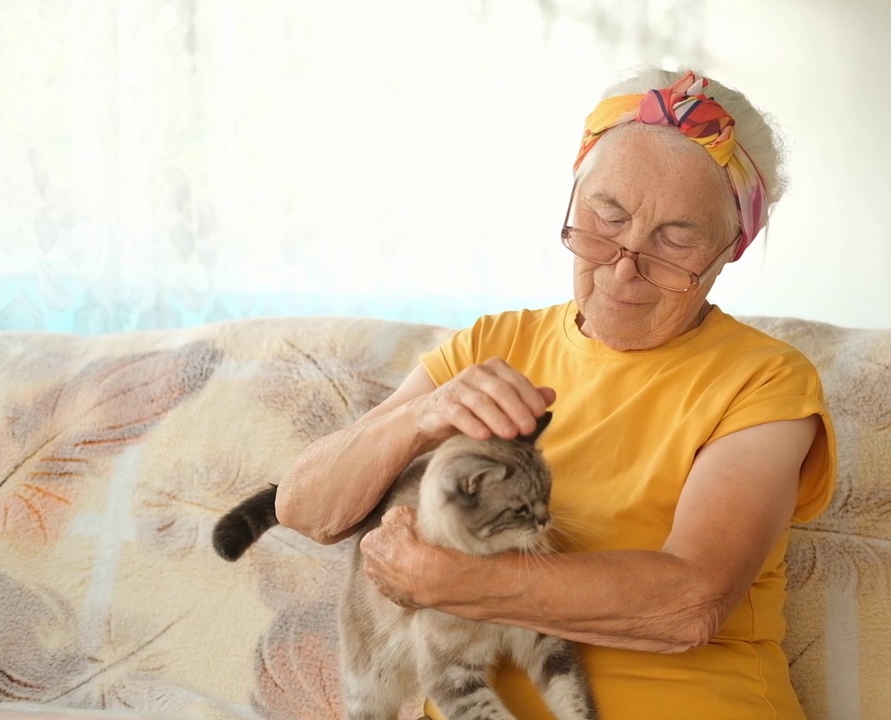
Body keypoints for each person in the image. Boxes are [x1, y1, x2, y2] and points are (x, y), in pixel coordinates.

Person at [274, 67, 837, 719]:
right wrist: (419, 420)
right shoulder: (493, 343)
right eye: (606, 218)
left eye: (676, 240)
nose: (624, 267)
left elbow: (691, 602)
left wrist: (452, 583)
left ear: (728, 248)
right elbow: (304, 508)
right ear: (574, 197)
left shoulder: (764, 378)